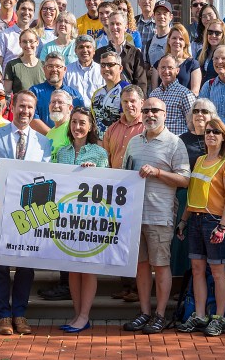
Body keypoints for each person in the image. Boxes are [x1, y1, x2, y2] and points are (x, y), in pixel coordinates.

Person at [0, 90, 53, 336]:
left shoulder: (43, 142)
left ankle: (19, 314)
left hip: (29, 214)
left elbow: (48, 178)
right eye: (21, 106)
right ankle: (3, 316)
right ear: (12, 106)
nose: (25, 111)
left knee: (26, 266)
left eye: (30, 107)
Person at [121, 97, 191, 334]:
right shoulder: (133, 142)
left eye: (155, 110)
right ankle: (145, 312)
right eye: (147, 110)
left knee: (160, 266)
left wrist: (158, 172)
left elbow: (185, 179)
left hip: (160, 214)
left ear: (165, 113)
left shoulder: (175, 143)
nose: (150, 114)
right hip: (134, 214)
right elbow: (124, 175)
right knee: (140, 266)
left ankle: (160, 314)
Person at [175, 118, 225, 337]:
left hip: (214, 222)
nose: (211, 135)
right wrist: (183, 220)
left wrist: (222, 225)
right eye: (208, 132)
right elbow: (193, 195)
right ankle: (200, 315)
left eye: (216, 132)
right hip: (195, 220)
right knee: (197, 270)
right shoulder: (200, 160)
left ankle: (219, 317)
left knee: (219, 272)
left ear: (223, 137)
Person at [55, 107, 109, 333]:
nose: (77, 127)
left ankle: (84, 315)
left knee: (87, 267)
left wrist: (95, 171)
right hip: (66, 218)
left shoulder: (99, 153)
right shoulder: (61, 152)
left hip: (89, 219)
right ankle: (78, 315)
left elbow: (108, 185)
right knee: (72, 268)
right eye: (74, 122)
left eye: (82, 123)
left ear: (90, 127)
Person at [101, 85, 146, 302]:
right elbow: (106, 158)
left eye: (133, 101)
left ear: (142, 103)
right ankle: (126, 285)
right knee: (118, 239)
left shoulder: (146, 127)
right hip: (116, 192)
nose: (129, 105)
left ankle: (139, 287)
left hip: (139, 192)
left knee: (136, 242)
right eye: (125, 101)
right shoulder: (112, 129)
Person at [28, 53, 84, 133]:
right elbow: (32, 118)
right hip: (41, 141)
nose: (54, 70)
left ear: (64, 70)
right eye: (50, 66)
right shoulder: (34, 92)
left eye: (58, 66)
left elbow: (81, 119)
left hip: (68, 141)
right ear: (44, 69)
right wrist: (53, 136)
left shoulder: (75, 94)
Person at [93, 10, 146, 92]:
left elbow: (141, 83)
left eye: (118, 24)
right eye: (112, 24)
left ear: (125, 27)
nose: (114, 27)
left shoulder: (135, 53)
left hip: (128, 100)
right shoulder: (100, 53)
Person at [148, 54, 195, 136]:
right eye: (163, 67)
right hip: (156, 143)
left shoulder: (185, 94)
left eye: (170, 68)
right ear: (158, 70)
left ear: (177, 70)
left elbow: (193, 123)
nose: (166, 71)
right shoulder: (153, 95)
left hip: (177, 144)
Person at [91, 51, 131, 136]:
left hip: (119, 143)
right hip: (99, 144)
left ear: (120, 68)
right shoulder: (97, 94)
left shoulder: (127, 90)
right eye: (103, 65)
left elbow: (129, 121)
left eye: (110, 65)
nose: (106, 68)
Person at [157, 25, 201, 95]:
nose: (177, 41)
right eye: (174, 38)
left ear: (185, 43)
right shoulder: (159, 63)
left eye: (181, 39)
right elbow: (154, 89)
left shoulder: (193, 64)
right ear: (169, 41)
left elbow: (195, 91)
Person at [0, 0, 36, 67]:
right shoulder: (4, 35)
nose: (26, 12)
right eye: (23, 9)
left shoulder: (36, 38)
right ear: (16, 11)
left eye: (30, 10)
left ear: (33, 14)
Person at [63, 35, 104, 108]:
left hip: (97, 114)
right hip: (74, 114)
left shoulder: (102, 70)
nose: (85, 50)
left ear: (94, 50)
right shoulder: (67, 71)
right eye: (81, 47)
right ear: (75, 51)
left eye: (88, 47)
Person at [3, 30, 45, 95]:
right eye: (24, 42)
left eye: (31, 41)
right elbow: (7, 93)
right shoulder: (12, 65)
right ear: (20, 44)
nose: (28, 45)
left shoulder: (44, 65)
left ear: (37, 42)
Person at [144, 0, 174, 83]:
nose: (161, 16)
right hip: (155, 86)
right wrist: (147, 72)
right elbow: (147, 64)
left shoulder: (176, 40)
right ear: (153, 16)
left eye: (165, 13)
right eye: (158, 13)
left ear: (171, 17)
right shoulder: (149, 43)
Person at [43, 89, 75, 159]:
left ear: (70, 108)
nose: (56, 106)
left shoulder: (73, 129)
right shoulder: (49, 133)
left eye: (60, 102)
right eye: (53, 102)